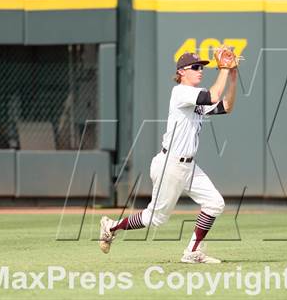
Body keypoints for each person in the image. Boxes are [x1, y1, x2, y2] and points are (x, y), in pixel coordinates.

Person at [99, 51, 238, 263]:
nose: (200, 70)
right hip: (171, 164)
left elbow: (226, 106)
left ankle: (191, 252)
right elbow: (213, 96)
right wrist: (225, 70)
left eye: (202, 67)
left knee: (214, 203)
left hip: (188, 167)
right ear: (181, 72)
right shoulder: (181, 92)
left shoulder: (195, 97)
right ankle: (111, 226)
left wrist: (233, 77)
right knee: (156, 218)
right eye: (196, 67)